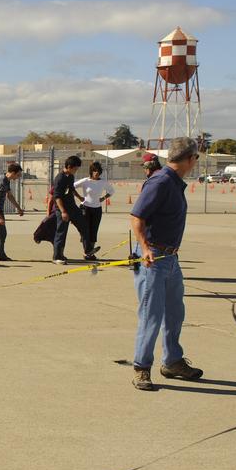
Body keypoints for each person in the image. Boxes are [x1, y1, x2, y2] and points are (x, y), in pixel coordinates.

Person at [129, 137, 203, 391]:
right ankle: (141, 367)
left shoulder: (174, 182)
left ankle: (172, 362)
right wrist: (146, 249)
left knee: (174, 313)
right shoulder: (161, 181)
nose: (196, 163)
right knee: (151, 314)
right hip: (154, 258)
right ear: (190, 158)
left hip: (170, 258)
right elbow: (136, 216)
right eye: (196, 159)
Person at [51, 155, 97, 265]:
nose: (76, 171)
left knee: (84, 226)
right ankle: (57, 256)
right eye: (75, 168)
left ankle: (88, 250)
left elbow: (71, 189)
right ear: (69, 166)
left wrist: (79, 197)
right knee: (61, 232)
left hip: (73, 208)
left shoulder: (70, 176)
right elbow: (57, 197)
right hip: (63, 209)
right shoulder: (60, 178)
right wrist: (63, 211)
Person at [74, 161, 114, 259]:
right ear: (91, 171)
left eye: (98, 171)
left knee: (93, 231)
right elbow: (72, 187)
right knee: (85, 230)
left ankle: (90, 253)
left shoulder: (103, 182)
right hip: (85, 208)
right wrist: (79, 197)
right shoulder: (85, 181)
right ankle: (87, 251)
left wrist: (103, 198)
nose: (96, 173)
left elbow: (111, 191)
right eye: (94, 171)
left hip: (97, 209)